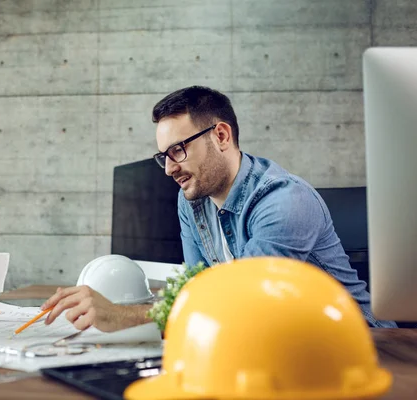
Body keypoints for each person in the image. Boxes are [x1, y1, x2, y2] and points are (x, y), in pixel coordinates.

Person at [42, 85, 396, 330]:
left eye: (177, 150)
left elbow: (244, 303)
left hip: (364, 341)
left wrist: (123, 315)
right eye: (163, 157)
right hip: (275, 338)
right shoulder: (191, 201)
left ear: (221, 136)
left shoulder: (285, 201)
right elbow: (196, 292)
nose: (169, 169)